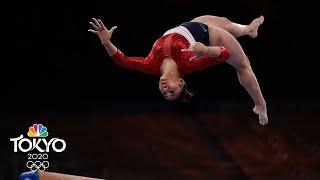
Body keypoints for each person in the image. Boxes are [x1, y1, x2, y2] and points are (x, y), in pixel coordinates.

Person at [88, 15, 268, 125]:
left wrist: (106, 42)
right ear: (181, 82)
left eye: (164, 92)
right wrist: (205, 50)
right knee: (242, 64)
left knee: (225, 22)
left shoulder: (151, 65)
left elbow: (123, 60)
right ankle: (260, 105)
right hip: (208, 37)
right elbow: (224, 54)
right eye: (172, 91)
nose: (166, 89)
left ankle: (247, 30)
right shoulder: (190, 63)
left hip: (188, 27)